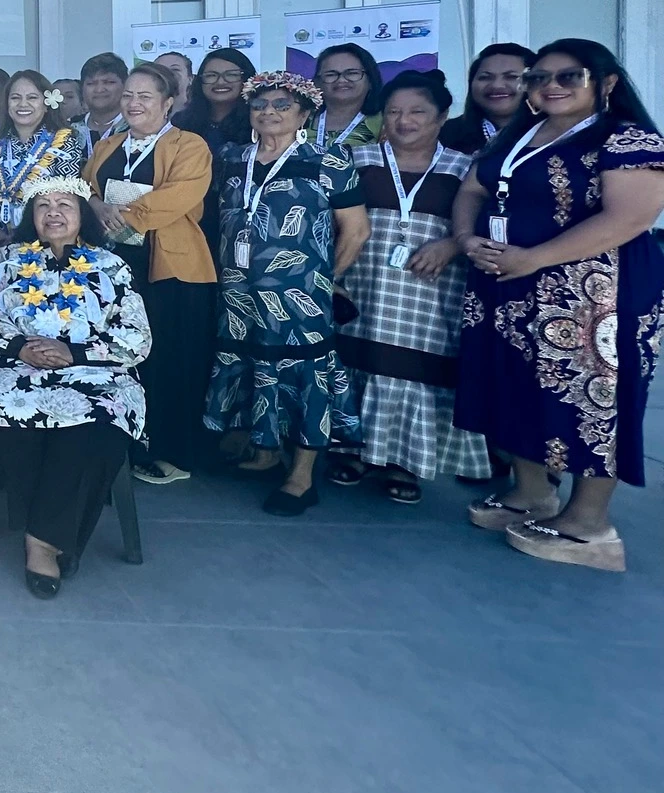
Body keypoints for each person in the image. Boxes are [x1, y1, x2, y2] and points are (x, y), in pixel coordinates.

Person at [453, 39, 664, 571]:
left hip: (595, 297)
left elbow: (628, 219)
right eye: (539, 76)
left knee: (593, 399)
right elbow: (473, 190)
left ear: (606, 83)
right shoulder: (518, 134)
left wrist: (535, 258)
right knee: (515, 386)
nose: (551, 85)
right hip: (508, 286)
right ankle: (531, 494)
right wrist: (465, 238)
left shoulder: (625, 138)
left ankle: (590, 525)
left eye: (569, 77)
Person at [0, 179, 151, 596]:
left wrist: (75, 353)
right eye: (43, 206)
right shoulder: (9, 259)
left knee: (98, 430)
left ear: (81, 214)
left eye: (64, 204)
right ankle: (60, 534)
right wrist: (21, 347)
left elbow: (137, 337)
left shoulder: (111, 265)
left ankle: (41, 540)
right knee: (2, 418)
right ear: (31, 217)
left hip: (97, 373)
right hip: (15, 366)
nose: (53, 213)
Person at [204, 71, 370, 515]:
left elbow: (356, 230)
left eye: (281, 105)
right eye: (259, 105)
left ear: (304, 112)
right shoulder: (233, 156)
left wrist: (324, 277)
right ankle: (265, 451)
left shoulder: (327, 158)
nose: (268, 113)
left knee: (304, 375)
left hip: (301, 294)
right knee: (253, 363)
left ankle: (301, 477)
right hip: (238, 290)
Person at [337, 71, 488, 503]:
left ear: (442, 116)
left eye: (417, 112)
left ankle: (404, 462)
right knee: (356, 359)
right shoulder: (357, 158)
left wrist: (451, 244)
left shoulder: (464, 167)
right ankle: (353, 448)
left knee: (417, 369)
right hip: (365, 279)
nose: (405, 121)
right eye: (395, 112)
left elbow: (481, 225)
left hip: (432, 285)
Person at [83, 63, 216, 484]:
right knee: (122, 357)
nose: (134, 103)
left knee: (171, 357)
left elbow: (181, 196)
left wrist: (122, 216)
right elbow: (84, 188)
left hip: (171, 267)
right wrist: (95, 207)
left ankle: (173, 453)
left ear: (168, 103)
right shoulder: (109, 145)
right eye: (128, 96)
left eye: (145, 97)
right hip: (114, 265)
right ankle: (127, 442)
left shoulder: (189, 145)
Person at [0, 70, 84, 249]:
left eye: (32, 97)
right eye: (15, 98)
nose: (23, 104)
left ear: (46, 104)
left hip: (45, 241)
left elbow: (65, 199)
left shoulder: (65, 142)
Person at [438, 42, 533, 155]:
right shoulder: (443, 135)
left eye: (512, 77)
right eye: (485, 77)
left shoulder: (553, 133)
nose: (497, 85)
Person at [174, 48, 256, 157]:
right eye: (211, 75)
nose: (220, 82)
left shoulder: (257, 122)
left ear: (246, 80)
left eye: (231, 75)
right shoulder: (181, 122)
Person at [312, 43, 384, 151]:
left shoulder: (386, 121)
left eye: (352, 73)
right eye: (331, 75)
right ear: (317, 83)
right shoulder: (299, 119)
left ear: (370, 80)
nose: (341, 80)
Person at [75, 53, 130, 147]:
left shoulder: (137, 128)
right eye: (91, 83)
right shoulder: (69, 131)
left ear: (125, 85)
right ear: (82, 89)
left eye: (108, 82)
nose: (99, 90)